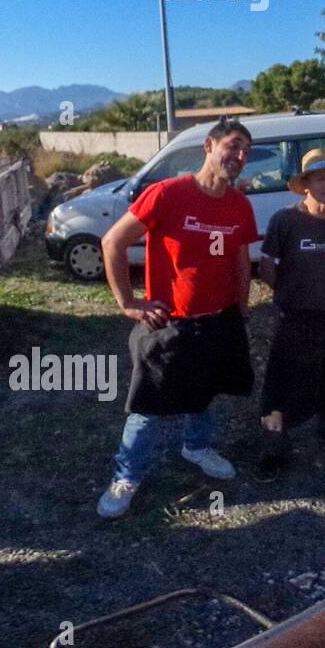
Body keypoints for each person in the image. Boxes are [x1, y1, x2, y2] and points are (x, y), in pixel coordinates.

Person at [96, 117, 253, 518]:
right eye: (232, 146)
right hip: (169, 324)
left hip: (218, 320)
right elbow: (113, 241)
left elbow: (238, 258)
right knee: (148, 410)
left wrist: (241, 307)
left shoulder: (239, 204)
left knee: (206, 392)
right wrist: (129, 303)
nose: (238, 157)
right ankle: (126, 475)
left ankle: (196, 447)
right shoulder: (167, 193)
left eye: (245, 152)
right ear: (209, 145)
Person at [252, 148, 325, 472]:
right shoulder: (285, 220)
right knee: (282, 385)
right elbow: (266, 266)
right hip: (297, 318)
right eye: (320, 179)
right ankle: (274, 448)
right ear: (306, 184)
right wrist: (288, 292)